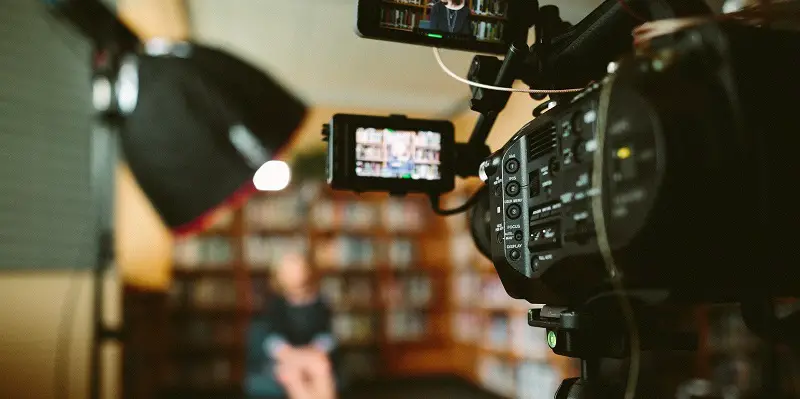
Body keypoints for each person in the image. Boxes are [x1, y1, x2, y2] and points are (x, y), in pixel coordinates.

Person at [261, 252, 337, 399]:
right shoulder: (275, 304)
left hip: (314, 354)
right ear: (279, 276)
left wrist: (315, 349)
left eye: (296, 269)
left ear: (306, 271)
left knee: (321, 369)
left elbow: (328, 334)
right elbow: (271, 337)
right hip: (287, 357)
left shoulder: (320, 302)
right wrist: (288, 353)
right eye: (287, 271)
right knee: (291, 374)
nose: (293, 274)